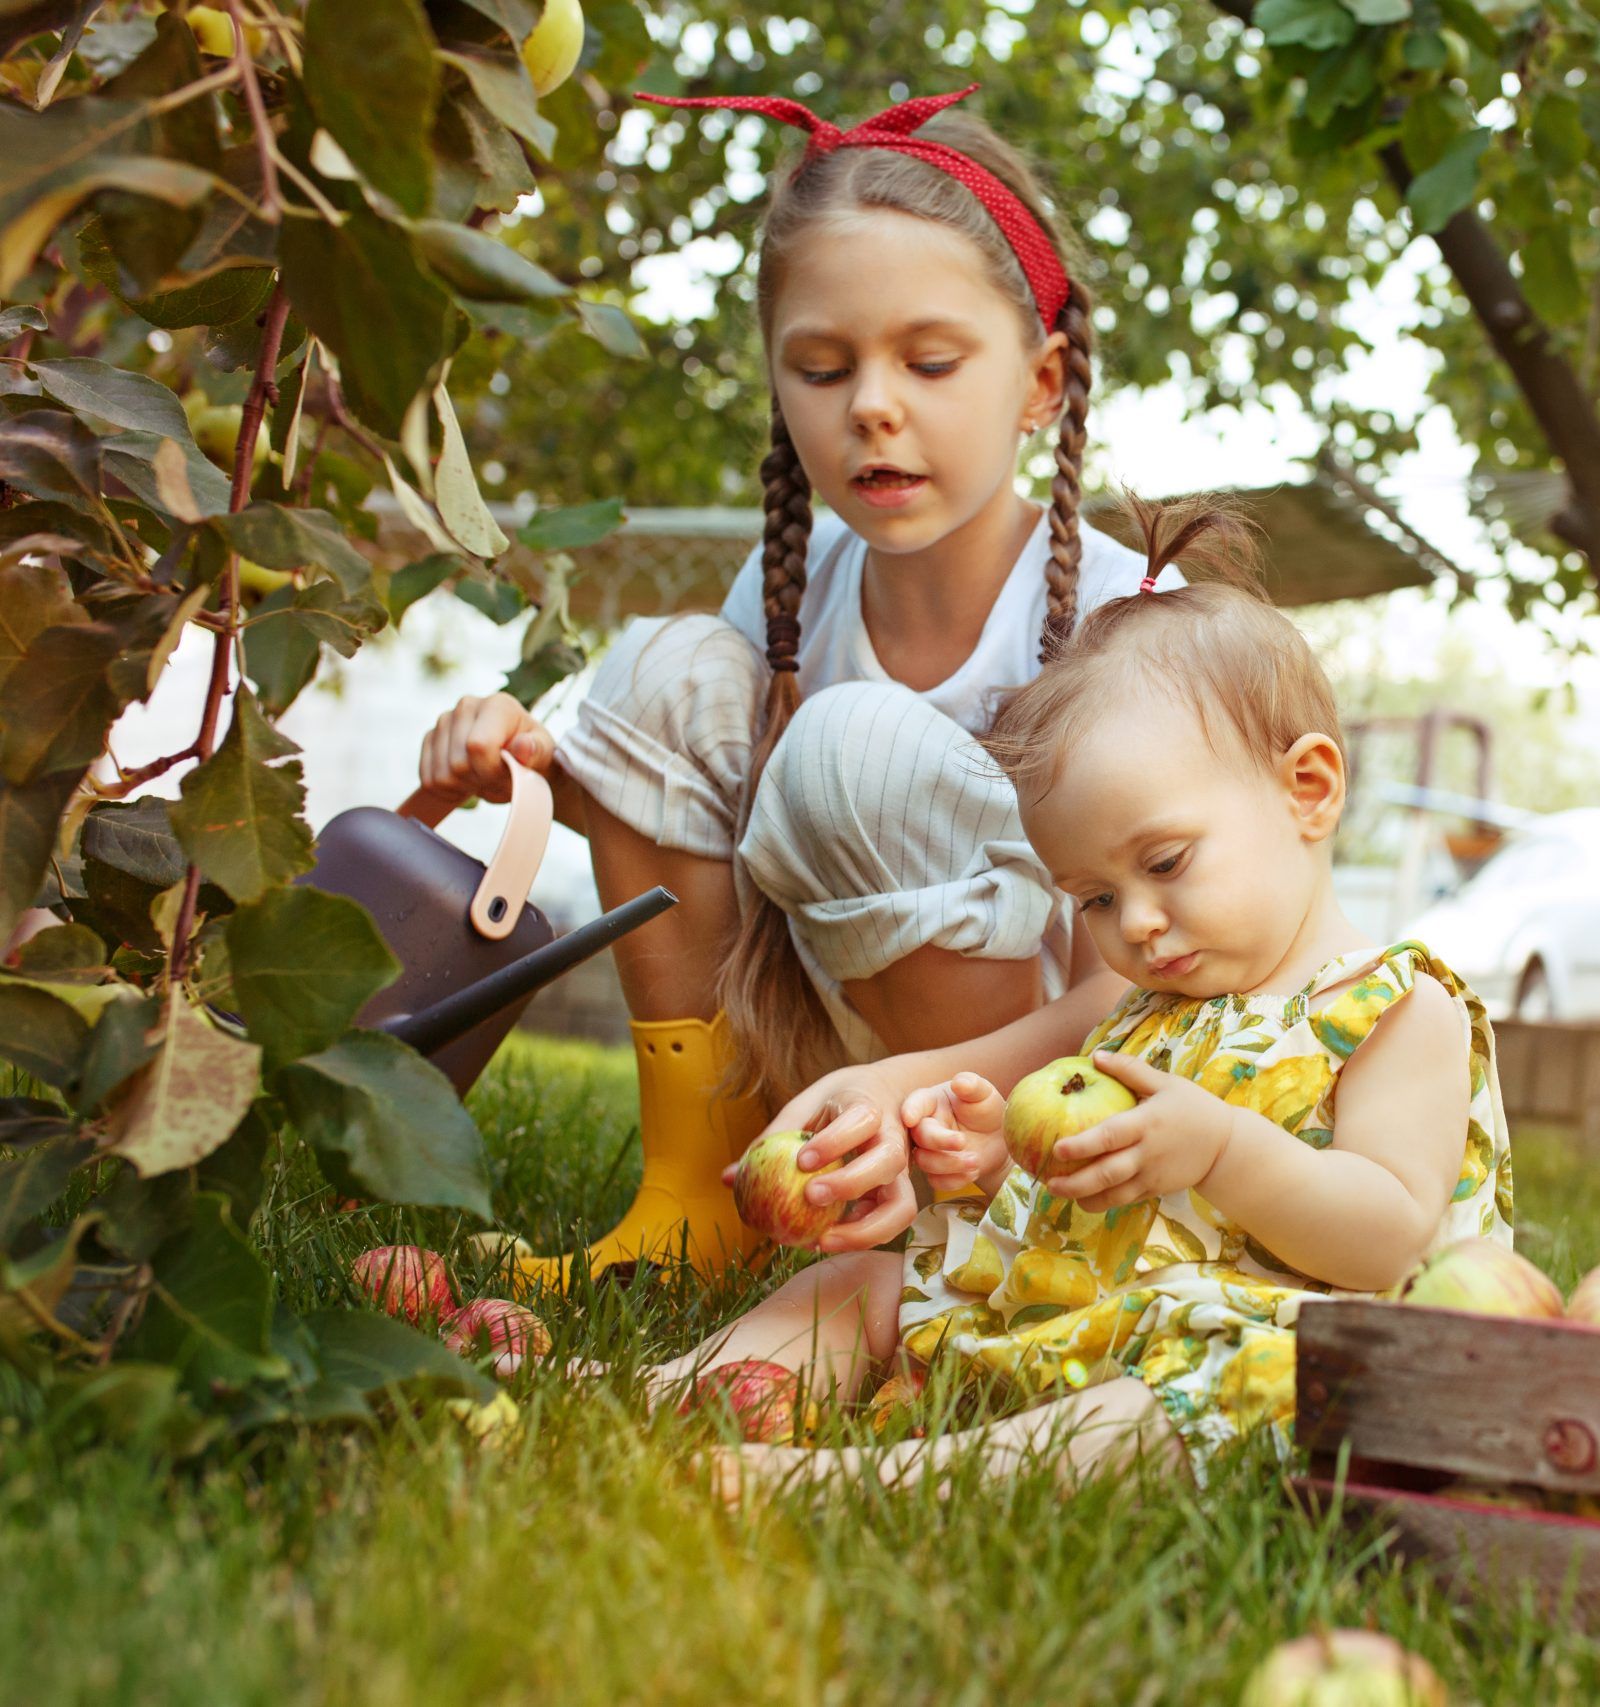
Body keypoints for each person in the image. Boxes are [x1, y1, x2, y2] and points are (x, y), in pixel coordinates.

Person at [414, 84, 1175, 1288]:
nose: (872, 405)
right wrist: (529, 764)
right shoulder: (791, 591)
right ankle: (702, 1205)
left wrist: (911, 1093)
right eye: (821, 369)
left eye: (930, 362)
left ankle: (959, 1225)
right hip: (820, 1069)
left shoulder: (1129, 624)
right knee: (657, 671)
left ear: (1041, 383)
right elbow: (669, 822)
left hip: (1027, 1102)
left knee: (851, 748)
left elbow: (1140, 1001)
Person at [667, 499, 1516, 1497]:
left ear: (1309, 790)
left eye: (1165, 863)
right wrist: (993, 1164)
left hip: (1252, 1353)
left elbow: (1390, 1237)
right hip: (1084, 1320)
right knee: (864, 1283)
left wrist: (1221, 1148)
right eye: (1097, 899)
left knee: (1246, 1385)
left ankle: (879, 1483)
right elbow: (1102, 1216)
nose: (1137, 924)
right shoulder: (1149, 1010)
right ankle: (667, 1390)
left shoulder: (1397, 1009)